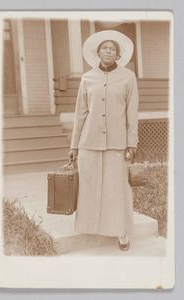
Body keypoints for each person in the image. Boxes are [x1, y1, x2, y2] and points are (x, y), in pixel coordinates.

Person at [68, 30, 139, 251]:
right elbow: (81, 112)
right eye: (104, 48)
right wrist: (74, 145)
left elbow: (132, 112)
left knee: (117, 188)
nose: (108, 51)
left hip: (117, 143)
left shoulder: (128, 77)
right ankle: (91, 226)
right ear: (97, 52)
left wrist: (131, 143)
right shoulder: (87, 78)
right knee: (89, 186)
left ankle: (121, 232)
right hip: (89, 142)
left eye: (113, 49)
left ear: (118, 55)